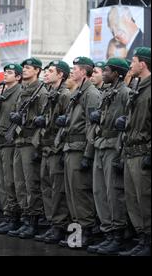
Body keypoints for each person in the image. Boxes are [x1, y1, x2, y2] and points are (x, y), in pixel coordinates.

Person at [56, 57, 101, 249]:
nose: (72, 72)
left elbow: (92, 127)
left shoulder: (91, 93)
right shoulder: (78, 92)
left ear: (84, 72)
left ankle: (85, 233)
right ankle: (75, 235)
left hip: (80, 148)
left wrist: (88, 155)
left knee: (81, 194)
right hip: (70, 147)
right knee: (72, 194)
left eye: (75, 69)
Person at [87, 58, 130, 255]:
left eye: (107, 70)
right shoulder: (106, 92)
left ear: (117, 73)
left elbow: (128, 124)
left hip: (114, 146)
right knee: (100, 192)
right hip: (101, 145)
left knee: (114, 193)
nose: (103, 73)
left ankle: (118, 235)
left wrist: (121, 153)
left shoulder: (124, 93)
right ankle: (108, 233)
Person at [7, 58, 48, 240]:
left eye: (28, 68)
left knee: (32, 184)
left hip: (31, 142)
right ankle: (25, 217)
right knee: (20, 184)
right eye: (23, 67)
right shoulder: (23, 90)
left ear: (37, 70)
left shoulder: (41, 92)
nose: (24, 70)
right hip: (19, 140)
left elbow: (43, 120)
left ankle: (33, 221)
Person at [117, 47, 151, 257]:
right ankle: (142, 238)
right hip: (131, 151)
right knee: (133, 200)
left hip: (143, 152)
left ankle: (148, 240)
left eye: (134, 61)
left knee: (145, 199)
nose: (130, 65)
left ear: (143, 64)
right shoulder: (139, 87)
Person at [33, 61, 71, 244]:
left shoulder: (64, 95)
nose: (46, 74)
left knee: (57, 190)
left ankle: (59, 226)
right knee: (46, 188)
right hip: (46, 148)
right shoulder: (49, 94)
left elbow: (65, 127)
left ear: (61, 75)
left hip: (56, 149)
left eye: (50, 71)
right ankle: (51, 223)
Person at [0, 63, 23, 235]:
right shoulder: (2, 92)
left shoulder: (20, 92)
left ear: (18, 77)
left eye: (10, 73)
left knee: (10, 182)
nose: (6, 75)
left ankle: (14, 217)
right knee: (2, 182)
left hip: (10, 143)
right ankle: (7, 215)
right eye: (6, 72)